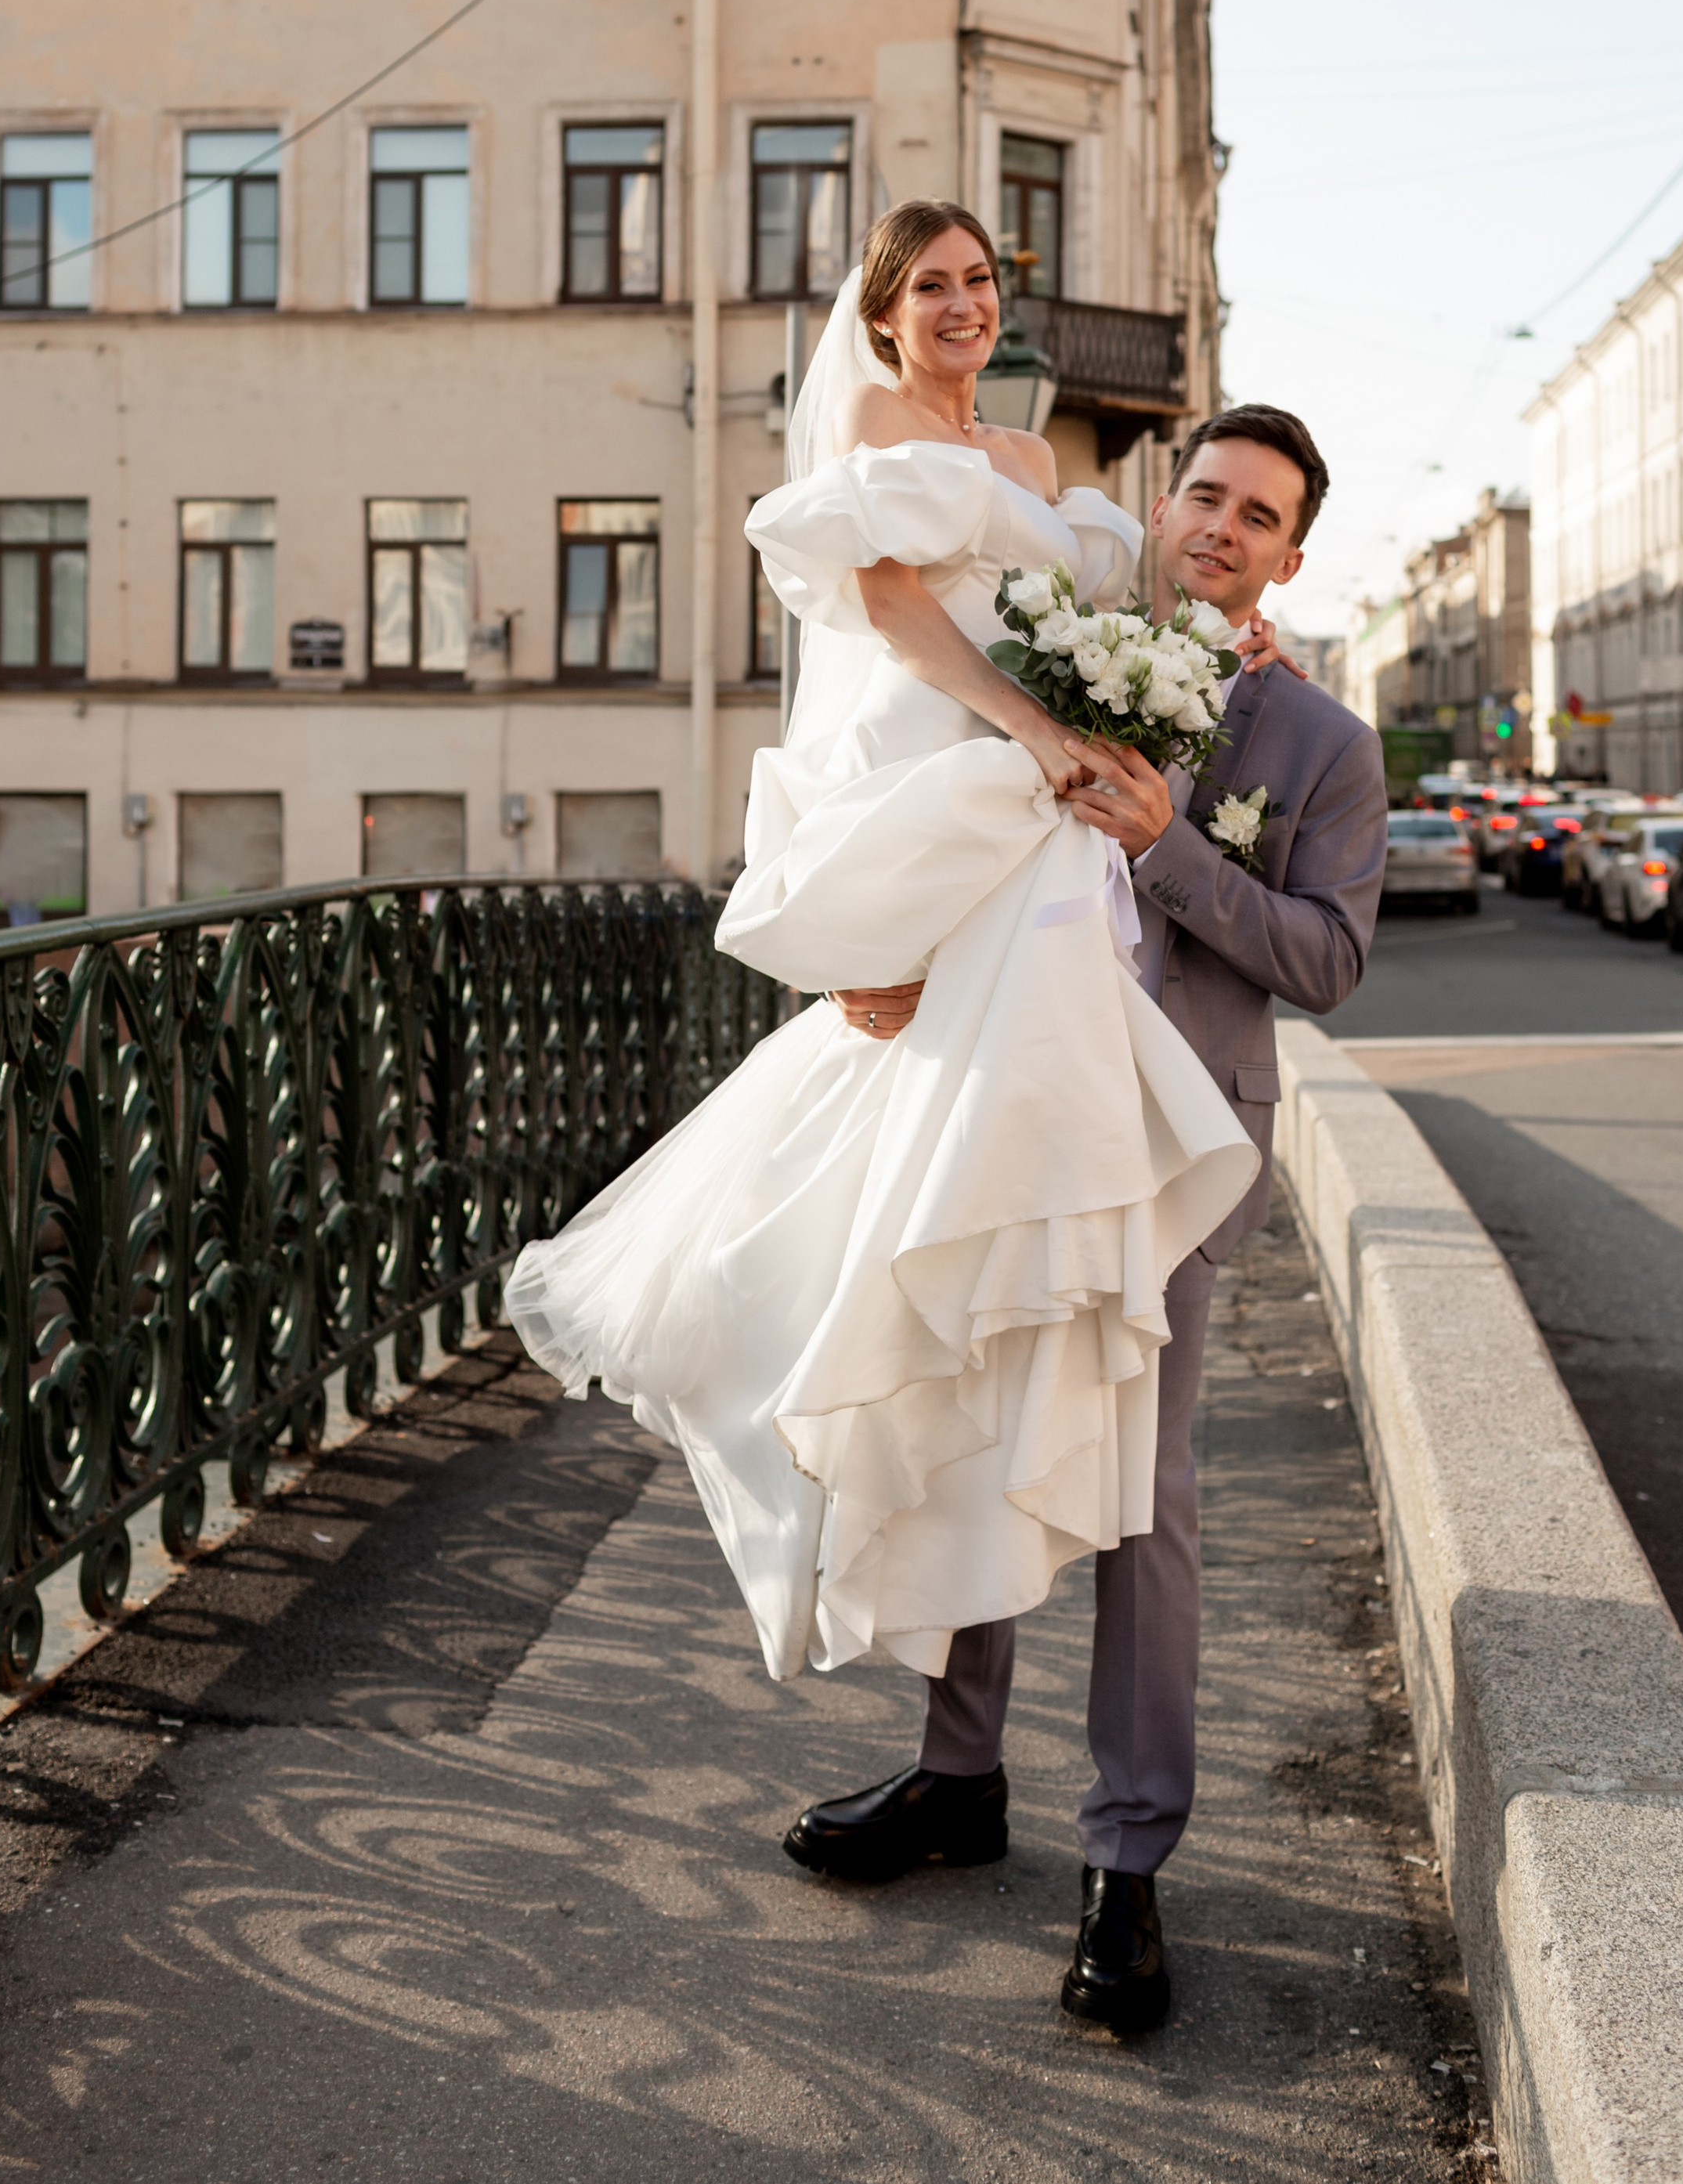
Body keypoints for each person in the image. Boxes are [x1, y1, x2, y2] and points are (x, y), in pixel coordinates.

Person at [505, 200, 1267, 1987]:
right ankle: (956, 1771)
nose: (963, 303)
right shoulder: (868, 426)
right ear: (881, 313)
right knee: (943, 1275)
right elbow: (890, 608)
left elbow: (1114, 612)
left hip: (1036, 855)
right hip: (964, 792)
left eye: (981, 280)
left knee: (1032, 1323)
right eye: (930, 285)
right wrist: (1031, 729)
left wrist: (1218, 662)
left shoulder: (1031, 455)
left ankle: (1100, 1840)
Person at [781, 402, 1386, 2034]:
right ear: (1164, 506)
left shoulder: (1321, 742)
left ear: (1287, 558)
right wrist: (877, 961)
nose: (1221, 527)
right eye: (1206, 494)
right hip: (1011, 1108)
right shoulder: (1055, 646)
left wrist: (1172, 846)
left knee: (1140, 1498)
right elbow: (939, 805)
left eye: (1259, 516)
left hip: (1171, 1150)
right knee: (985, 1429)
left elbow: (1327, 959)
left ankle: (1127, 1858)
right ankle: (956, 1776)